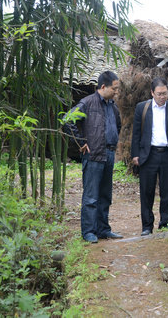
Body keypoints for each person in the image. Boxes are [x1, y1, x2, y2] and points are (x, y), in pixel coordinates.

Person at [63, 71, 123, 243]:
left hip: (109, 154)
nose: (116, 92)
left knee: (105, 195)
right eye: (114, 89)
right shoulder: (87, 103)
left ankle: (103, 229)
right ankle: (89, 232)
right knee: (91, 196)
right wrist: (81, 142)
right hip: (93, 155)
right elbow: (68, 120)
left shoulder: (112, 106)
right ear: (103, 87)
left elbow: (117, 126)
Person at [131, 77, 168, 235]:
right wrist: (135, 154)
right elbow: (136, 133)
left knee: (167, 192)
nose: (163, 97)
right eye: (159, 94)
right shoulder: (142, 108)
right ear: (152, 93)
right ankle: (147, 226)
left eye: (165, 94)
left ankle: (164, 223)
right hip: (149, 155)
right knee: (146, 192)